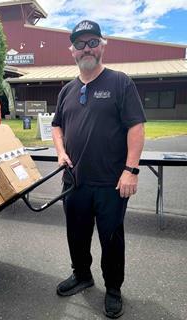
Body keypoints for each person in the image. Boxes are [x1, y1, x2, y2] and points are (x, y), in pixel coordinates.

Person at [52, 20, 146, 319]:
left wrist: (131, 169)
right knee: (76, 236)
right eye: (80, 44)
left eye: (92, 42)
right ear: (72, 52)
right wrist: (61, 152)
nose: (86, 48)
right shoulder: (67, 90)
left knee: (111, 239)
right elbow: (56, 126)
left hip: (111, 184)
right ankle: (82, 275)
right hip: (75, 181)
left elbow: (136, 126)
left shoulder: (120, 83)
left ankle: (113, 289)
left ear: (103, 46)